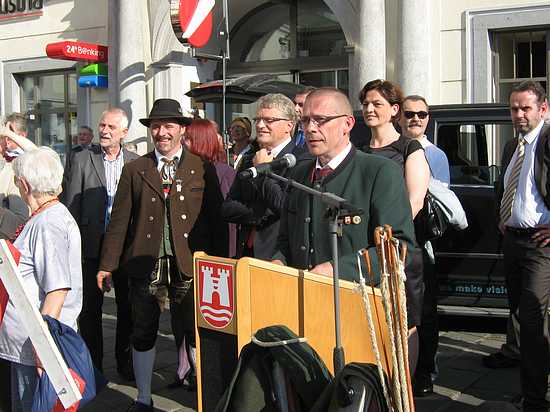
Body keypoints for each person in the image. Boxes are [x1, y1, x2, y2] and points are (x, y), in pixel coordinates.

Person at [96, 98, 228, 412]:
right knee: (143, 330)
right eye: (156, 126)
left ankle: (205, 394)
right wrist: (107, 265)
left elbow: (216, 219)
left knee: (197, 329)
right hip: (146, 263)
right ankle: (143, 396)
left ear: (182, 129)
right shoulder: (135, 169)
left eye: (169, 125)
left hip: (190, 263)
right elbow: (119, 222)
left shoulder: (201, 167)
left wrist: (220, 264)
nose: (162, 132)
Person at [272, 87, 416, 287]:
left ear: (347, 124)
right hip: (302, 300)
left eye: (320, 120)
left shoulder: (379, 172)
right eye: (305, 121)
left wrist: (337, 270)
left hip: (356, 303)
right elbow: (285, 240)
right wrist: (277, 263)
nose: (310, 128)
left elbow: (399, 248)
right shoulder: (299, 174)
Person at [0, 147, 83, 411]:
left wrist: (43, 352)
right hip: (25, 345)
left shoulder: (49, 223)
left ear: (24, 184)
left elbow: (57, 290)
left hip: (33, 347)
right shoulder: (44, 217)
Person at [360, 80, 429, 384]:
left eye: (377, 103)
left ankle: (405, 386)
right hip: (364, 248)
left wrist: (389, 238)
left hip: (397, 249)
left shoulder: (409, 148)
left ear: (394, 110)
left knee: (405, 322)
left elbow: (413, 201)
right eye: (365, 104)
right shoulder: (359, 149)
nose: (370, 109)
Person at [63, 108, 139, 378]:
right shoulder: (83, 158)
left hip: (123, 247)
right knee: (90, 310)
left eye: (110, 127)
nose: (104, 131)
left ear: (124, 132)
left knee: (127, 307)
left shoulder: (136, 162)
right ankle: (93, 366)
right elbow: (71, 202)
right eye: (102, 125)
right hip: (91, 245)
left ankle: (125, 362)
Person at [496, 80, 550, 411]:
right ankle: (533, 384)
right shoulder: (511, 147)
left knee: (531, 319)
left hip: (539, 245)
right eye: (514, 108)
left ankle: (534, 399)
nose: (519, 114)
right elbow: (509, 187)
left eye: (525, 108)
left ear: (542, 108)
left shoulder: (547, 140)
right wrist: (503, 217)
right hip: (513, 241)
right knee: (520, 315)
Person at [398, 94, 450, 396]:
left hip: (421, 240)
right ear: (400, 116)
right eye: (409, 113)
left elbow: (439, 200)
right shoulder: (392, 148)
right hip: (395, 241)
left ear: (428, 118)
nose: (415, 119)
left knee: (424, 309)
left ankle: (426, 370)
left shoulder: (434, 155)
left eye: (421, 114)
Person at [222, 93, 306, 260]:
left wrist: (262, 171)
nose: (260, 125)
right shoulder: (249, 159)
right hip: (246, 251)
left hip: (278, 256)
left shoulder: (301, 160)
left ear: (288, 125)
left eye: (269, 120)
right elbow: (227, 208)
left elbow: (285, 206)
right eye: (257, 119)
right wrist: (259, 214)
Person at [184, 119, 237, 257]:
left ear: (200, 141)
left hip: (214, 253)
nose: (183, 143)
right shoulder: (186, 170)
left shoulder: (224, 173)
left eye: (188, 139)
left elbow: (226, 223)